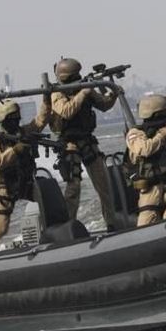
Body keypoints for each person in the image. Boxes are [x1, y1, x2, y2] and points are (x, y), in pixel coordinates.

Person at [49, 57, 119, 230]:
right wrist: (83, 93)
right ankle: (69, 228)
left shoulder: (84, 88)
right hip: (69, 145)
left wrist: (113, 92)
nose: (78, 78)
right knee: (73, 189)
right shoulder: (57, 93)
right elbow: (66, 111)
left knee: (103, 184)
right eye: (75, 76)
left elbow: (103, 105)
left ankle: (111, 223)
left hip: (88, 141)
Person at [0, 98, 50, 250]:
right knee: (0, 230)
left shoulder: (23, 132)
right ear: (3, 120)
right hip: (6, 187)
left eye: (17, 118)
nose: (15, 122)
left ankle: (51, 236)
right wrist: (15, 150)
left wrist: (47, 101)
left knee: (49, 204)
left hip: (26, 182)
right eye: (11, 119)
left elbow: (40, 121)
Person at [126, 94, 166, 226]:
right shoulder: (136, 133)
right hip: (150, 190)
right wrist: (165, 133)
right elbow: (144, 149)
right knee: (145, 226)